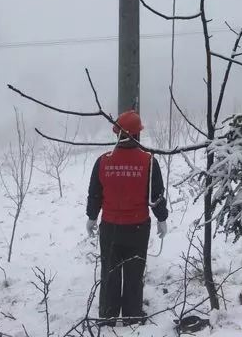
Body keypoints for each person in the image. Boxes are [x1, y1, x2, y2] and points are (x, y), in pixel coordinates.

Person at [85, 110, 168, 325]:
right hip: (138, 229)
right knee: (134, 274)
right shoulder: (149, 161)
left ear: (118, 134)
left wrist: (92, 218)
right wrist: (162, 218)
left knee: (110, 273)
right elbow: (157, 195)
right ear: (137, 135)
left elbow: (95, 194)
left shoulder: (103, 161)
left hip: (110, 229)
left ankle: (108, 316)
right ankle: (132, 316)